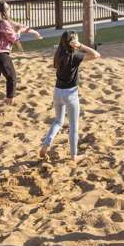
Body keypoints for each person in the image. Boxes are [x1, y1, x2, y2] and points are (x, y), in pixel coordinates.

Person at [39, 31, 100, 161]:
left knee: (58, 121)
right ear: (72, 43)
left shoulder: (58, 54)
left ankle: (46, 144)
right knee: (73, 125)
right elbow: (96, 55)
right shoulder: (75, 57)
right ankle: (74, 156)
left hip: (57, 92)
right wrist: (81, 46)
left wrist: (74, 45)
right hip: (70, 94)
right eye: (76, 40)